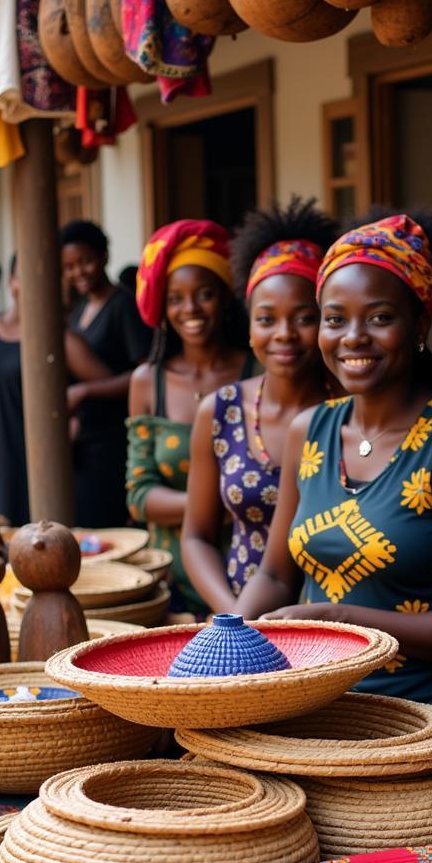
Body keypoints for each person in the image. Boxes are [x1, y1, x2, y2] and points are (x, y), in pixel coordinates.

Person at [234, 210, 432, 707]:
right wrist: (228, 635)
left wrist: (346, 621)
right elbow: (276, 575)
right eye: (335, 319)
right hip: (310, 703)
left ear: (420, 324)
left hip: (418, 714)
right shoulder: (310, 430)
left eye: (380, 318)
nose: (353, 338)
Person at [181, 197, 338, 612]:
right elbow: (196, 535)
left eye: (305, 318)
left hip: (335, 626)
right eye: (267, 319)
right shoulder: (220, 411)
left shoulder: (352, 412)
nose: (284, 333)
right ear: (249, 326)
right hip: (239, 614)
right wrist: (231, 616)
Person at [126, 220, 253, 616]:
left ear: (225, 299)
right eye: (176, 299)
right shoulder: (149, 382)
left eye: (204, 294)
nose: (191, 309)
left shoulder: (262, 370)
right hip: (172, 585)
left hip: (256, 579)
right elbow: (139, 494)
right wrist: (220, 500)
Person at [0, 256, 112, 525]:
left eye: (49, 276)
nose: (37, 283)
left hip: (33, 473)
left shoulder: (61, 340)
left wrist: (80, 401)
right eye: (26, 275)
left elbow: (114, 387)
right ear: (11, 282)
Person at [61, 219, 151, 527]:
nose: (78, 272)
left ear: (103, 257)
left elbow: (144, 374)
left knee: (108, 524)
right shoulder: (80, 307)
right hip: (85, 437)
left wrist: (86, 391)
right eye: (69, 266)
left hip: (115, 436)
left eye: (85, 261)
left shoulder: (123, 304)